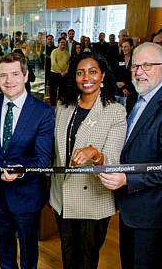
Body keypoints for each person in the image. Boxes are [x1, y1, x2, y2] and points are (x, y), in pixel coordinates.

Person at [99, 42, 162, 269]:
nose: (138, 72)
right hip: (131, 206)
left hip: (153, 211)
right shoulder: (138, 96)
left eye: (147, 65)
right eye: (135, 66)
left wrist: (127, 179)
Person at [50, 52, 127, 269]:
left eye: (93, 72)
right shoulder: (64, 107)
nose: (86, 78)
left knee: (86, 258)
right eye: (80, 73)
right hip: (61, 195)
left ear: (103, 75)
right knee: (67, 253)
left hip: (93, 197)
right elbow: (55, 152)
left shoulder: (115, 111)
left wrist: (95, 153)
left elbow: (112, 160)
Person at [0, 52, 55, 269]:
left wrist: (20, 171)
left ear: (25, 75)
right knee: (4, 247)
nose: (9, 80)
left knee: (28, 252)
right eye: (3, 75)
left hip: (27, 194)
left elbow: (42, 159)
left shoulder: (43, 112)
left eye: (14, 74)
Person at [114, 37, 137, 113]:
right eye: (122, 47)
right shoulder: (118, 58)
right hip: (117, 90)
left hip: (130, 91)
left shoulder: (135, 60)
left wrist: (126, 87)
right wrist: (117, 83)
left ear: (131, 47)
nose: (124, 49)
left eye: (126, 46)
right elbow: (113, 73)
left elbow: (136, 76)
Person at [50, 37, 70, 106]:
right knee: (53, 91)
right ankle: (53, 106)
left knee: (62, 91)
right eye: (61, 42)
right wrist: (60, 72)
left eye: (64, 42)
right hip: (54, 73)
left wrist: (66, 71)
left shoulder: (67, 53)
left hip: (64, 74)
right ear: (58, 43)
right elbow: (53, 63)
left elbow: (68, 64)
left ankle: (60, 105)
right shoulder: (54, 51)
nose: (63, 44)